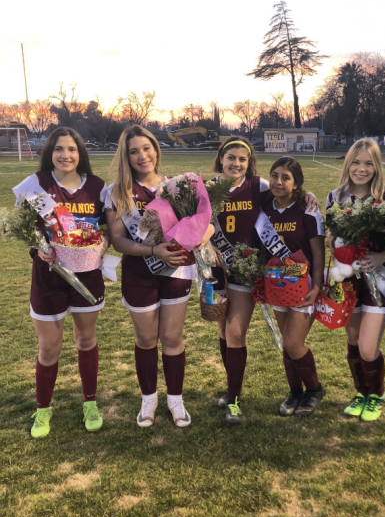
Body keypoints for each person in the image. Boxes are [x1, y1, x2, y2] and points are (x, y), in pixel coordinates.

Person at [105, 125, 214, 429]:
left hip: (176, 271)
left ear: (156, 148)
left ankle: (176, 399)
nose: (143, 156)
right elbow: (119, 241)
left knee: (172, 338)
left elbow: (203, 224)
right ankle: (149, 398)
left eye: (147, 147)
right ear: (126, 157)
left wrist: (203, 234)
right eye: (134, 151)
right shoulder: (115, 192)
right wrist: (154, 250)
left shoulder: (175, 186)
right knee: (145, 339)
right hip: (139, 274)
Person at [209, 137, 319, 426]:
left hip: (245, 269)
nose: (236, 163)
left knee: (234, 331)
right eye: (231, 157)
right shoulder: (206, 190)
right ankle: (232, 387)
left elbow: (287, 197)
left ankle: (233, 400)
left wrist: (308, 196)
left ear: (249, 162)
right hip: (217, 272)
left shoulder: (258, 186)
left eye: (242, 159)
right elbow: (193, 222)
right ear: (221, 158)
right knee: (221, 330)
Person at [12, 127, 108, 439]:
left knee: (86, 340)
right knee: (49, 346)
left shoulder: (96, 187)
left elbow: (108, 230)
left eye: (71, 149)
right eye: (59, 149)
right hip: (48, 279)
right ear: (49, 152)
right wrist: (36, 250)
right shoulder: (35, 185)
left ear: (81, 153)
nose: (65, 155)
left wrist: (103, 244)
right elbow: (23, 229)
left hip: (87, 276)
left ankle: (90, 403)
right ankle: (43, 409)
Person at [326, 138, 385, 422]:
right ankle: (361, 392)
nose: (361, 169)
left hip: (379, 278)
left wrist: (382, 256)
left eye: (369, 163)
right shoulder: (334, 197)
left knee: (369, 348)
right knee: (354, 339)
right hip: (348, 279)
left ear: (377, 166)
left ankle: (377, 394)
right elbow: (332, 239)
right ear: (348, 164)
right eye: (356, 162)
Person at [262, 157, 325, 417]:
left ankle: (314, 390)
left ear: (296, 183)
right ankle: (295, 392)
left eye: (285, 177)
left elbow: (318, 254)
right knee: (285, 343)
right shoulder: (264, 209)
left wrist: (317, 285)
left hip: (304, 286)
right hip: (276, 284)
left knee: (293, 341)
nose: (278, 181)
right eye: (274, 175)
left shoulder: (308, 211)